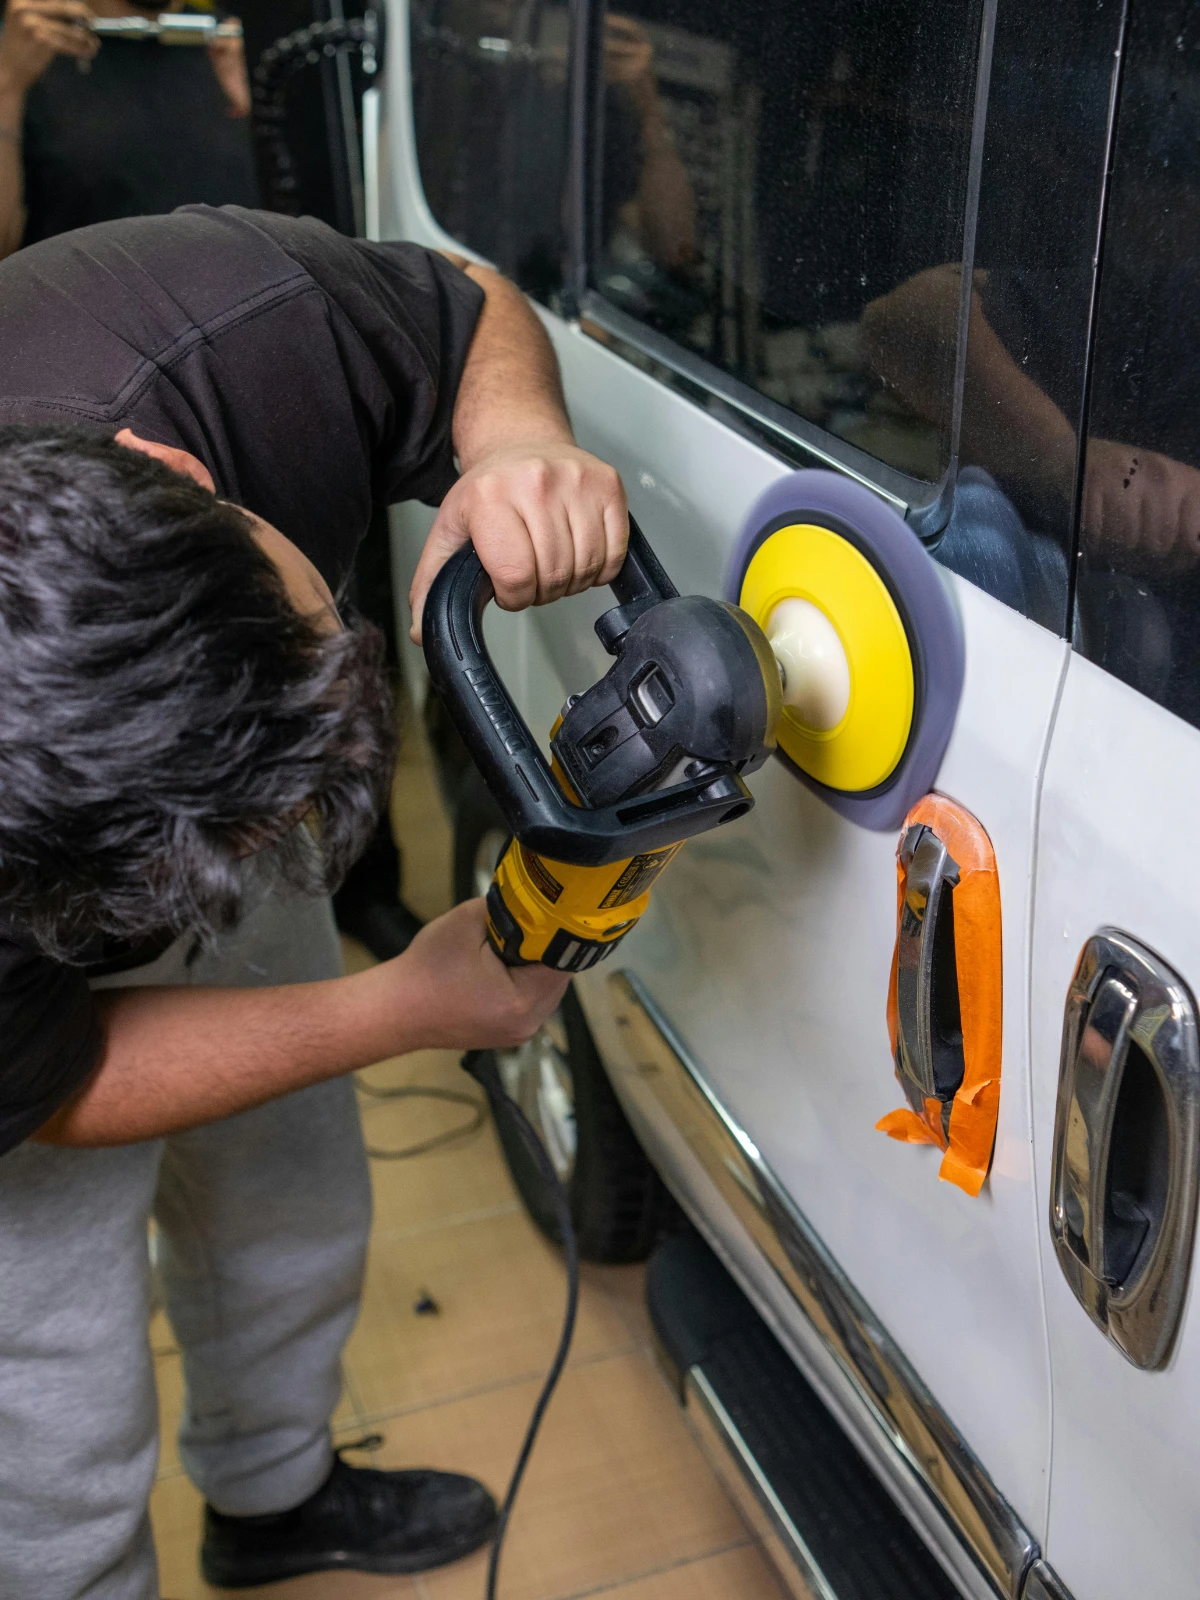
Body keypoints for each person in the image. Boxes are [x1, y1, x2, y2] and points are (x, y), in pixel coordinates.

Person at [0, 202, 628, 1599]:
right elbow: (47, 1086)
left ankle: (274, 1497)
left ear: (173, 463)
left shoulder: (237, 319)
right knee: (45, 1357)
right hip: (22, 967)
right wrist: (398, 1009)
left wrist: (515, 439)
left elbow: (470, 309)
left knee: (288, 1182)